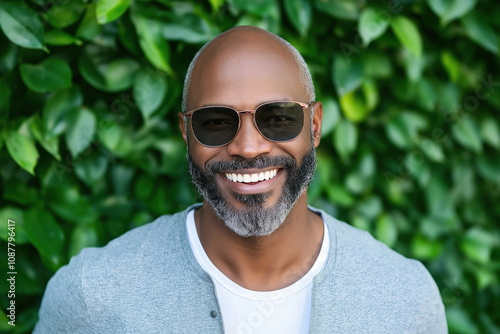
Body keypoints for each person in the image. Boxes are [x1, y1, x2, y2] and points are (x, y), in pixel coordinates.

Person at [34, 26, 447, 333]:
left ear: (315, 125)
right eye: (216, 122)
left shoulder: (405, 299)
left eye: (278, 119)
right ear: (185, 133)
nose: (248, 148)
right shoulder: (91, 297)